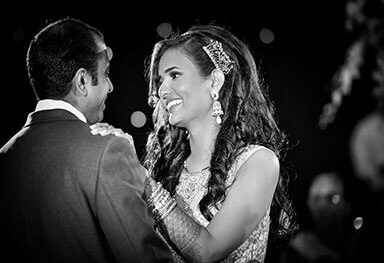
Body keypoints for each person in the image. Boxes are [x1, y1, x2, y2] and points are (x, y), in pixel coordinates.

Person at [92, 24, 298, 262]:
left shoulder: (258, 161)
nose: (162, 91)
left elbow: (207, 252)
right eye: (160, 81)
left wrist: (141, 179)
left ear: (215, 81)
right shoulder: (165, 167)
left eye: (175, 75)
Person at [0, 17, 174, 263]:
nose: (111, 86)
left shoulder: (5, 155)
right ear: (82, 81)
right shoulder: (107, 150)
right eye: (106, 74)